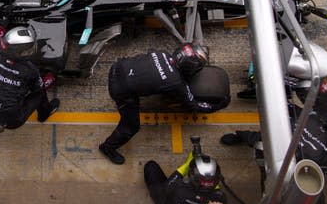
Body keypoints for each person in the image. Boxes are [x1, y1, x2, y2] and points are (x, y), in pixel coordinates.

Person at [98, 44, 230, 165]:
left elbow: (153, 59)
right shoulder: (176, 83)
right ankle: (107, 148)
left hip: (117, 67)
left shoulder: (162, 53)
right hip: (120, 90)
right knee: (131, 127)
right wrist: (219, 106)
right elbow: (194, 106)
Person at [0, 21, 59, 140]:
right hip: (14, 119)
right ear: (19, 52)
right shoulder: (30, 70)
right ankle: (43, 114)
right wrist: (52, 76)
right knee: (40, 95)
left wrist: (3, 23)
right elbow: (40, 88)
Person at [220, 102, 327, 170]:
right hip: (287, 129)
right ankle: (239, 136)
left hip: (284, 147)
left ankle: (239, 137)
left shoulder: (320, 157)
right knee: (256, 138)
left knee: (257, 140)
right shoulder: (325, 135)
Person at [144, 149, 228, 204]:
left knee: (150, 166)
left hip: (167, 200)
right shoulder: (220, 199)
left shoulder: (180, 190)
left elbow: (167, 187)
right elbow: (214, 187)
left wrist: (187, 164)